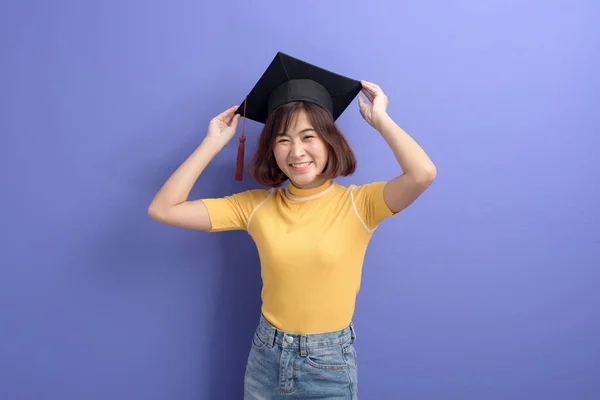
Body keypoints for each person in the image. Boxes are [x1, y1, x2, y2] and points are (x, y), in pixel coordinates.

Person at [148, 52, 436, 399]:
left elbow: (422, 174)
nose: (296, 151)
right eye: (282, 139)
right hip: (266, 356)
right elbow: (164, 208)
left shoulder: (361, 204)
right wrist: (211, 144)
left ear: (330, 141)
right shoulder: (255, 207)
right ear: (272, 148)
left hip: (327, 364)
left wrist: (381, 119)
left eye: (308, 136)